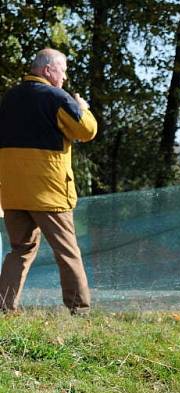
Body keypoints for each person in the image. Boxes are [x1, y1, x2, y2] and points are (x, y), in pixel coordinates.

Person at [0, 48, 98, 314]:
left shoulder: (9, 98)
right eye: (62, 71)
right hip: (49, 192)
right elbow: (86, 131)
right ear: (47, 70)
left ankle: (4, 307)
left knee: (20, 249)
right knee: (67, 252)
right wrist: (82, 108)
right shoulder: (57, 97)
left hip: (13, 193)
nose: (64, 77)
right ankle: (80, 309)